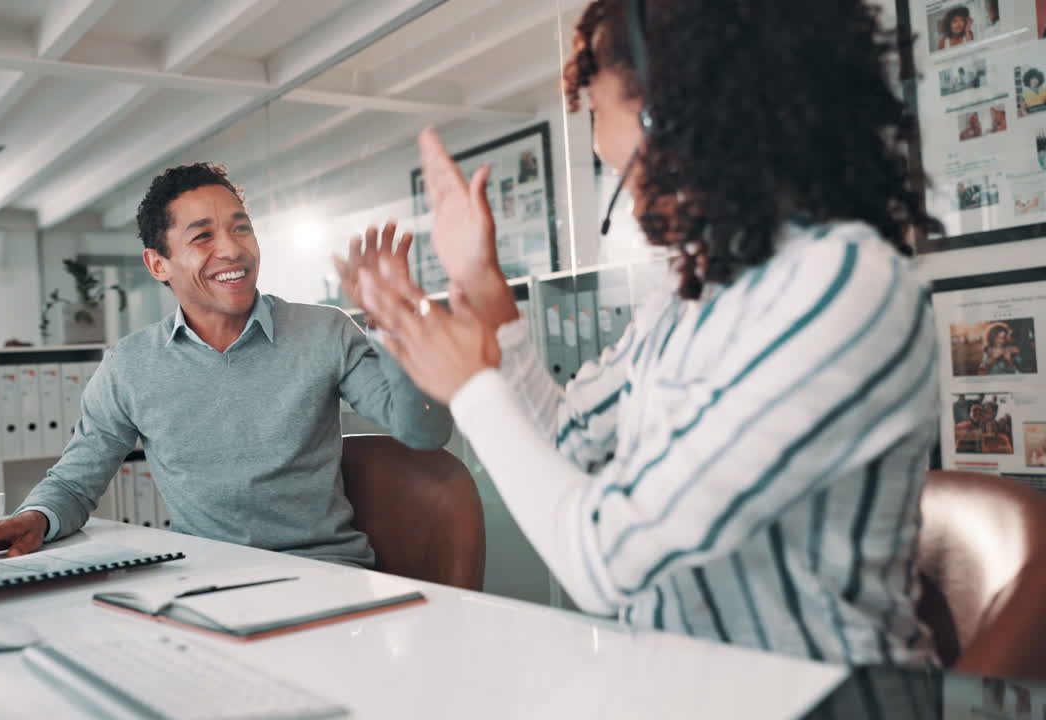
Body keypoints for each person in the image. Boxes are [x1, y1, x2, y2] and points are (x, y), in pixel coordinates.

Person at [356, 0, 942, 665]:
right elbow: (566, 442)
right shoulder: (690, 285)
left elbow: (607, 563)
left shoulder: (840, 286)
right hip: (675, 684)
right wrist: (485, 287)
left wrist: (471, 387)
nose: (628, 195)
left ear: (684, 120)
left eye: (623, 170)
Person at [0, 163, 453, 565]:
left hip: (327, 572)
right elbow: (75, 483)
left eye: (241, 229)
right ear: (158, 263)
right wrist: (34, 517)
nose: (232, 249)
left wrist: (395, 321)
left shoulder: (326, 331)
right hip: (203, 579)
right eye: (203, 236)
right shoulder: (129, 366)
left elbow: (425, 432)